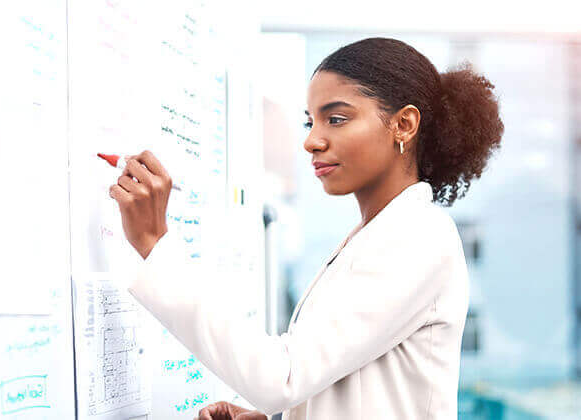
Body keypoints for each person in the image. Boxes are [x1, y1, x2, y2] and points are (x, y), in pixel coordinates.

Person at [109, 37, 503, 419]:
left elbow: (283, 378)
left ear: (404, 124)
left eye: (336, 119)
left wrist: (154, 244)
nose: (312, 141)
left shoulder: (418, 236)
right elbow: (348, 380)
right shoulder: (377, 234)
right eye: (309, 121)